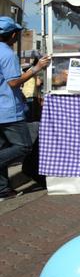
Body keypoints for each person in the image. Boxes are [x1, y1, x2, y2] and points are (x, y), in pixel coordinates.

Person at [0, 17, 50, 201]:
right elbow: (13, 82)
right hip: (8, 110)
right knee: (23, 146)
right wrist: (36, 68)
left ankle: (3, 190)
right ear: (13, 35)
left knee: (4, 147)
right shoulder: (7, 54)